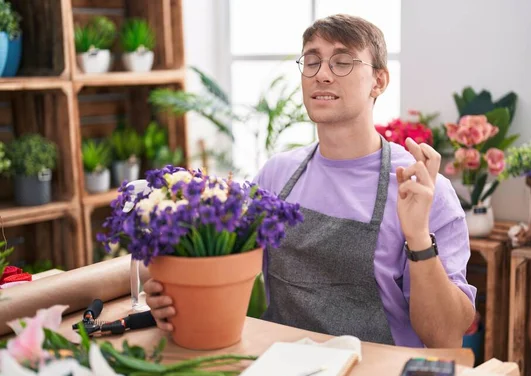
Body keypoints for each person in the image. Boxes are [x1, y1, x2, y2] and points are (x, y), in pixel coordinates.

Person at [146, 14, 476, 348]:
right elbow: (217, 263)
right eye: (312, 61)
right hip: (281, 368)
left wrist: (418, 235)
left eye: (342, 62)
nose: (322, 74)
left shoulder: (421, 189)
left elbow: (444, 337)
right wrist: (171, 293)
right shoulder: (277, 175)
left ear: (378, 81)